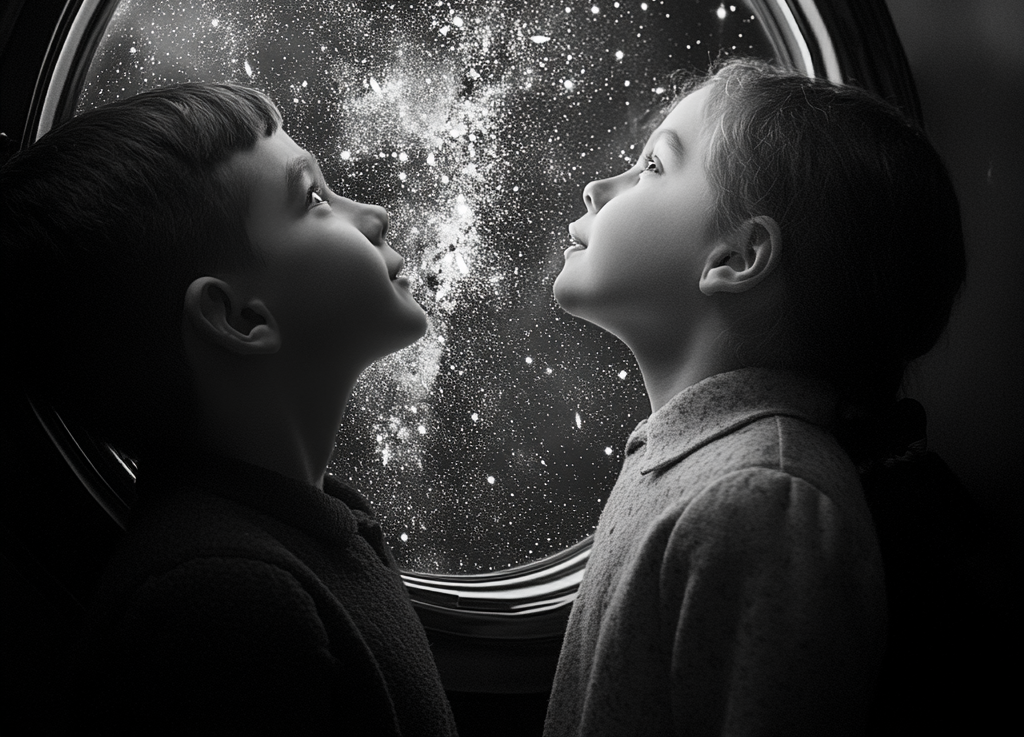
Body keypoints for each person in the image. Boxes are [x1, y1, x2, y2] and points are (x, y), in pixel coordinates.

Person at [0, 82, 458, 735]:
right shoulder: (228, 603)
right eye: (314, 199)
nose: (376, 213)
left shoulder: (319, 529)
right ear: (240, 318)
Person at [543, 58, 966, 737]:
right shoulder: (691, 465)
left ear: (736, 259)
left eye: (652, 166)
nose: (598, 187)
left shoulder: (761, 501)